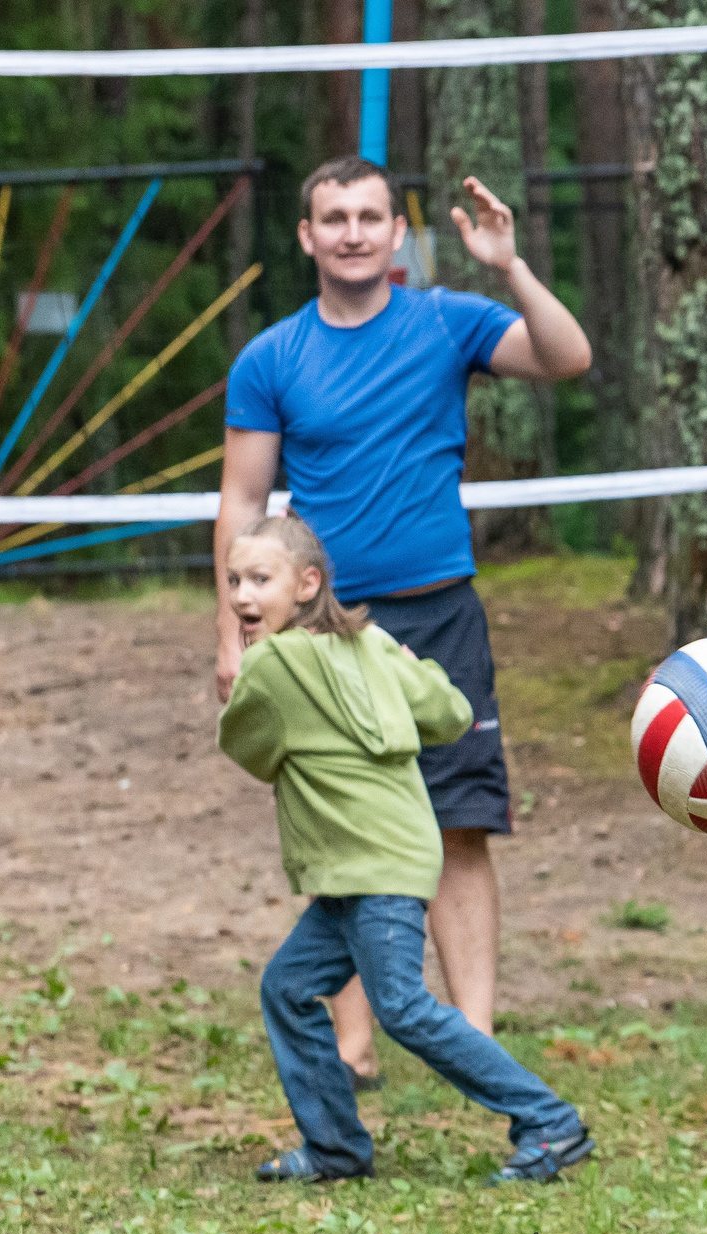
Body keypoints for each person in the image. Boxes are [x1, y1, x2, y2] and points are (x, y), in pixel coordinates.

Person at [216, 156, 592, 1093]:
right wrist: (233, 634)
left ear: (396, 234)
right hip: (323, 633)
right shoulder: (271, 358)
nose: (352, 232)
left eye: (369, 216)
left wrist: (509, 265)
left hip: (440, 612)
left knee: (461, 824)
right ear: (306, 237)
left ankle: (475, 1037)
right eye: (333, 217)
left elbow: (567, 358)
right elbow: (242, 499)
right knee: (342, 833)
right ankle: (353, 1046)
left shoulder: (446, 321)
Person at [217, 515, 593, 1186]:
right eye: (234, 580)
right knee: (290, 986)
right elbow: (449, 715)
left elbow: (247, 746)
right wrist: (406, 668)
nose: (243, 595)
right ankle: (335, 1147)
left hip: (370, 866)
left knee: (402, 1007)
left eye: (259, 579)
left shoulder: (270, 663)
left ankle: (549, 1120)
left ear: (307, 584)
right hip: (379, 859)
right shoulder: (371, 642)